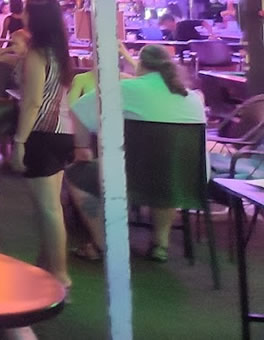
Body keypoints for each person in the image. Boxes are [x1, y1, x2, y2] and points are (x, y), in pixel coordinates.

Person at [65, 44, 206, 262]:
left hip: (133, 178)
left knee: (76, 175)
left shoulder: (124, 89)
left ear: (140, 65)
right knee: (165, 170)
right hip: (188, 179)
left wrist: (81, 147)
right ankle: (160, 243)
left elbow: (78, 110)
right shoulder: (193, 97)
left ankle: (103, 243)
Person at [10, 0, 75, 288]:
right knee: (50, 206)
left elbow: (32, 101)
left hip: (41, 134)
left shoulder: (37, 53)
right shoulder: (60, 52)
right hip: (63, 132)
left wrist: (19, 141)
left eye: (26, 11)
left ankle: (60, 275)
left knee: (48, 209)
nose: (22, 16)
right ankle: (45, 267)